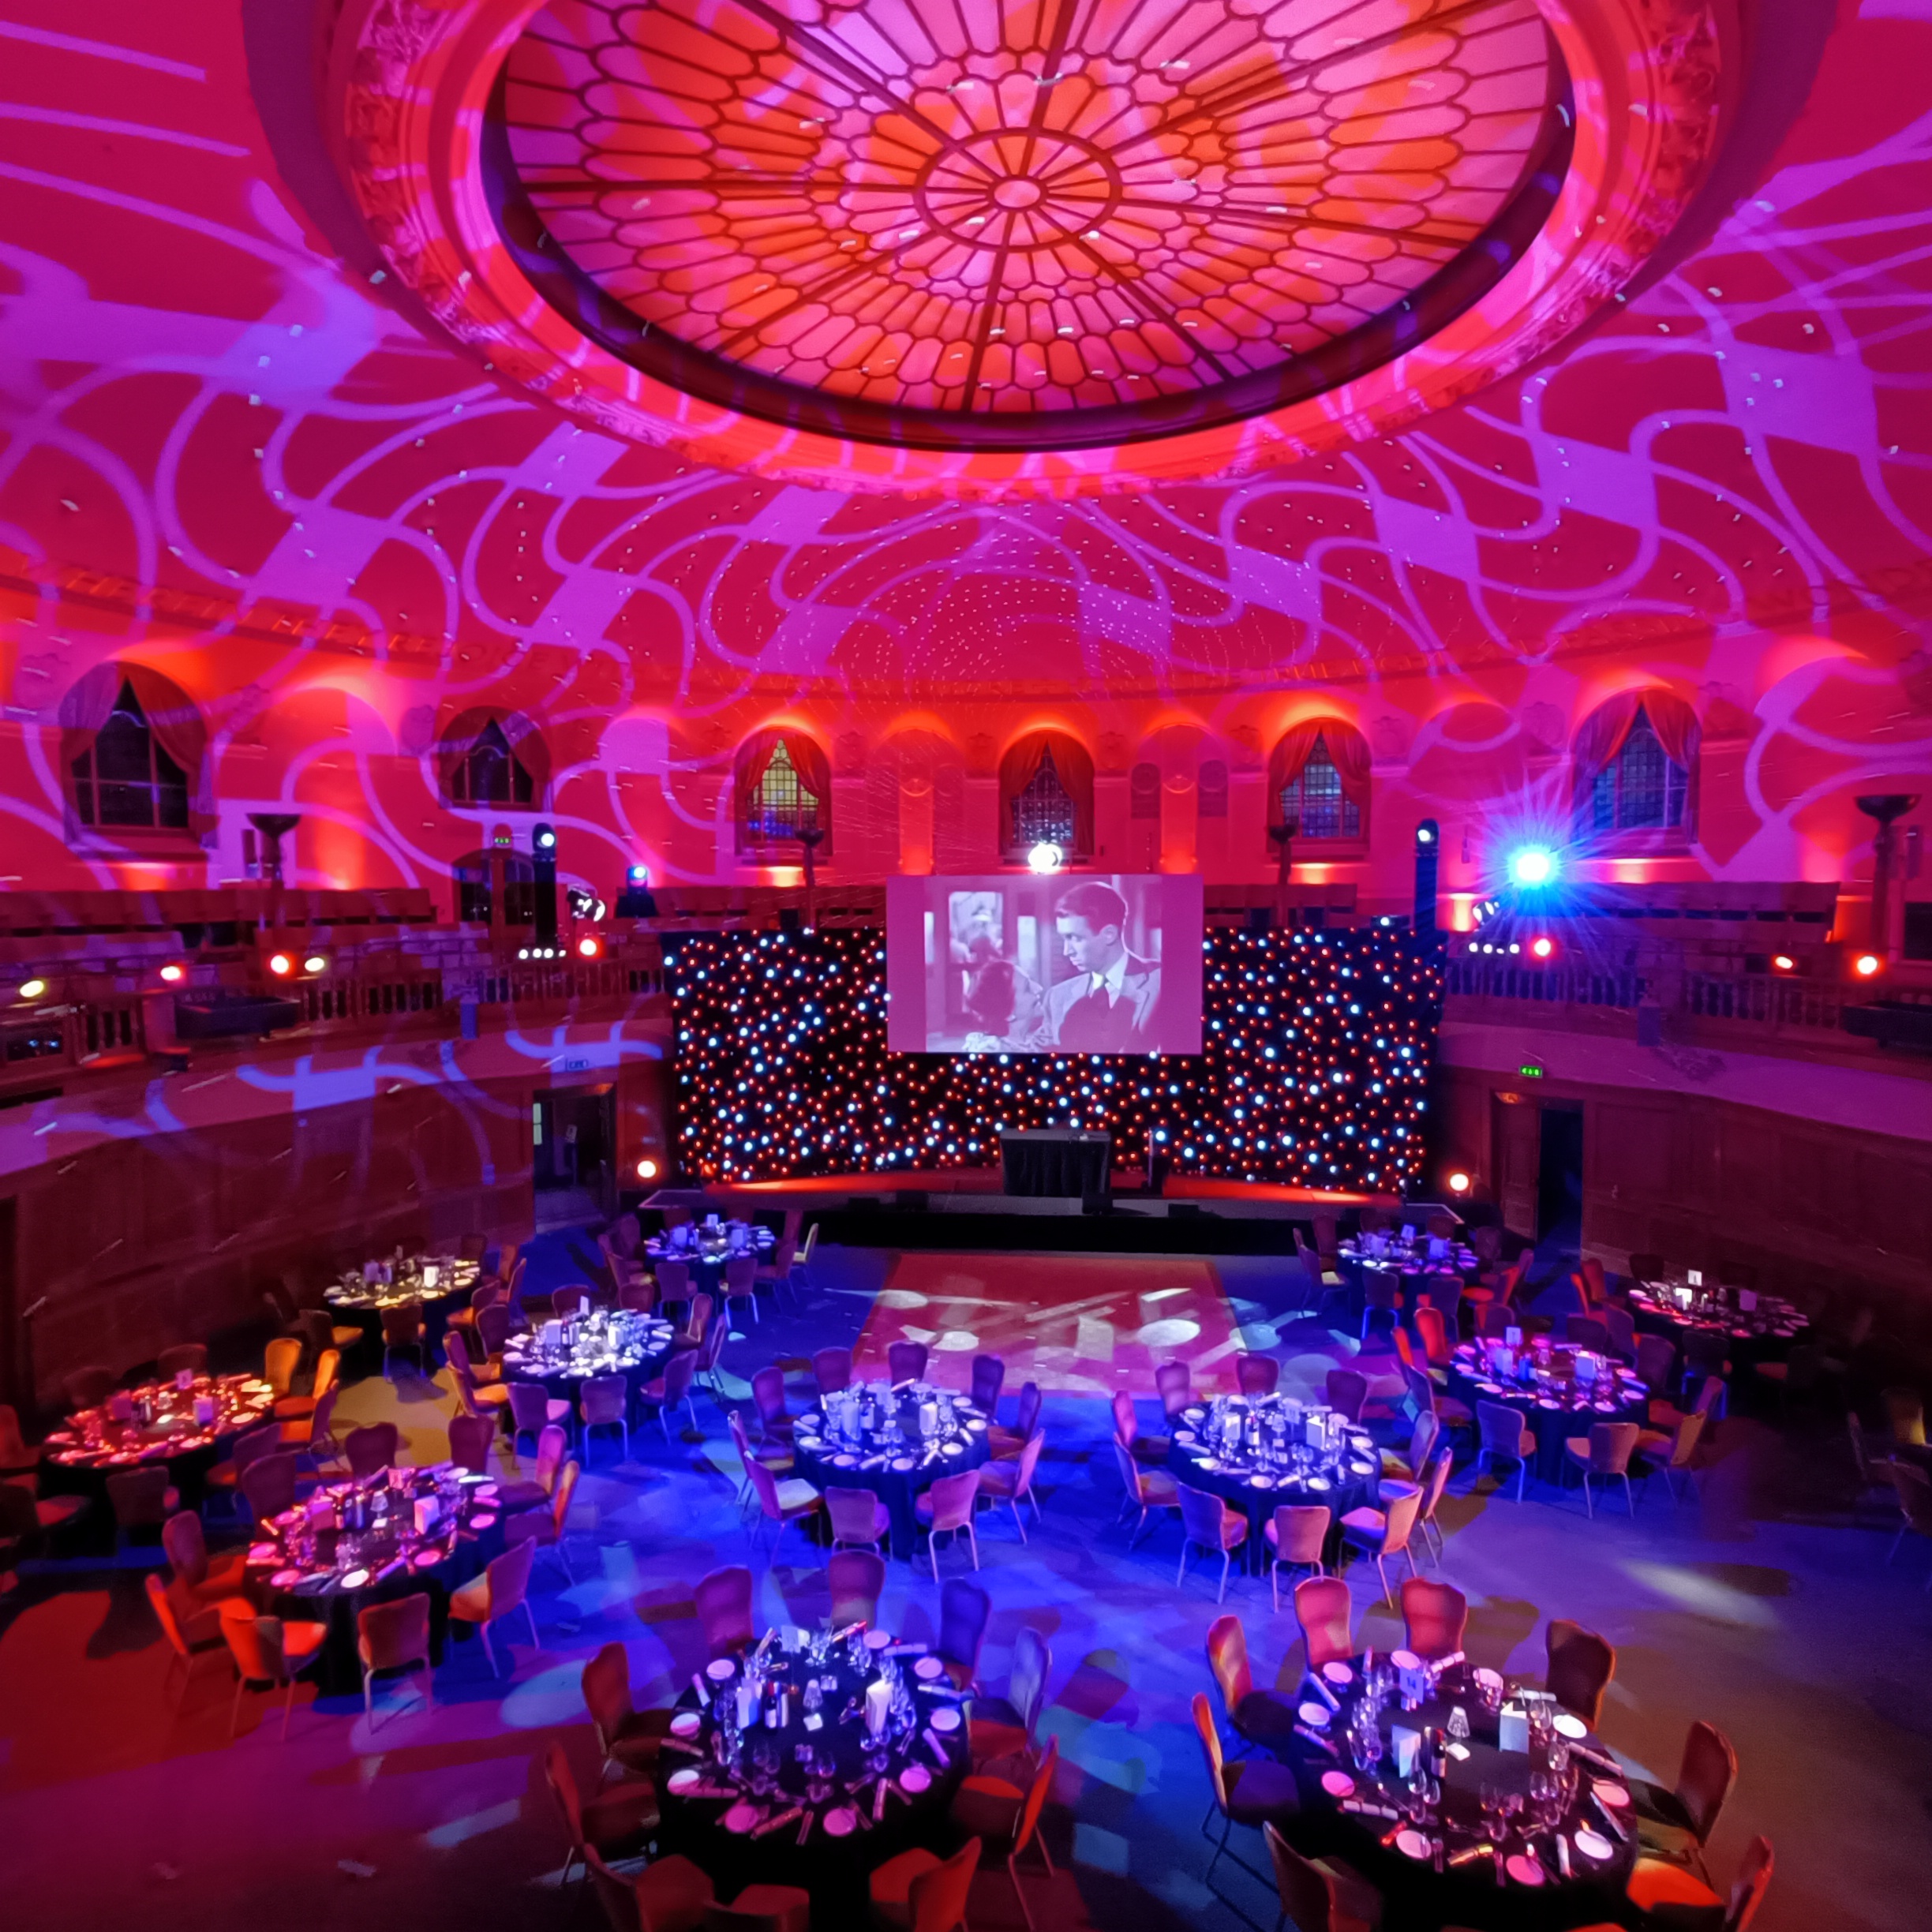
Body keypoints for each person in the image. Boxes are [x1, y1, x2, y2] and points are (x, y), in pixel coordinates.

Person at [1043, 881, 1162, 1050]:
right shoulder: (1057, 997)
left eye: (1075, 938)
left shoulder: (1163, 983)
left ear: (1109, 934)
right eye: (1064, 939)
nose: (1066, 951)